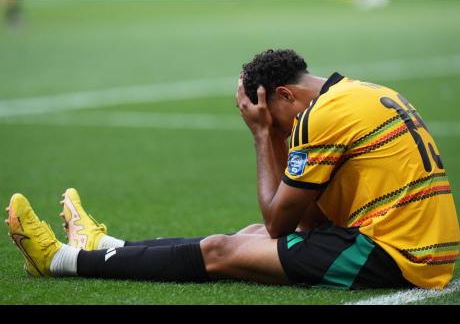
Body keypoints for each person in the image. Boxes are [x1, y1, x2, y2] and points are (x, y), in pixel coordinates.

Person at [5, 49, 459, 289]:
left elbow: (280, 222)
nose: (283, 129)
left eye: (272, 115)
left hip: (398, 256)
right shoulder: (357, 93)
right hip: (411, 240)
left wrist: (263, 136)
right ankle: (104, 246)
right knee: (247, 235)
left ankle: (61, 262)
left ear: (284, 95)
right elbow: (307, 222)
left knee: (224, 250)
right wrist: (278, 132)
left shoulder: (322, 115)